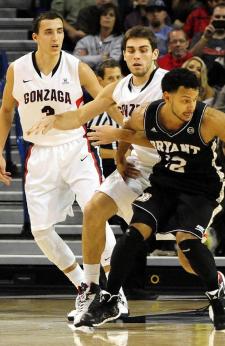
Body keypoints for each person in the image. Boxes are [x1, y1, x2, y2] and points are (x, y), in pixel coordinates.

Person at [27, 25, 167, 324]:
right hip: (138, 168)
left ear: (155, 54)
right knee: (93, 210)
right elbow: (80, 115)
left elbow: (173, 136)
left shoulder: (170, 84)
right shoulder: (120, 87)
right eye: (131, 50)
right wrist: (54, 120)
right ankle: (93, 290)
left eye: (143, 50)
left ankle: (214, 285)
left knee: (187, 252)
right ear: (124, 55)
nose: (136, 56)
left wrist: (118, 136)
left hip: (173, 170)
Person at [74, 68, 225, 330]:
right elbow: (127, 129)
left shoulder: (209, 119)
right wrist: (120, 160)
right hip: (165, 182)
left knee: (186, 242)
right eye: (184, 100)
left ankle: (217, 298)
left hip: (202, 189)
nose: (191, 105)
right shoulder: (147, 113)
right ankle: (109, 300)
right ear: (167, 97)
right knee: (134, 234)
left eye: (194, 98)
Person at [0, 11, 119, 317]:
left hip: (76, 149)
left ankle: (114, 293)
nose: (56, 38)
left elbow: (106, 99)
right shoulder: (18, 69)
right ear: (35, 37)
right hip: (39, 153)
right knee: (40, 230)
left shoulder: (76, 66)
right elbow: (5, 111)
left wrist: (128, 134)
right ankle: (82, 286)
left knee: (97, 216)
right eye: (49, 32)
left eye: (60, 31)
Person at [73, 3, 123, 69]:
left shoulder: (119, 40)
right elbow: (75, 60)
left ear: (116, 20)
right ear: (99, 18)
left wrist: (86, 58)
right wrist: (101, 57)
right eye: (104, 14)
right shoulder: (86, 40)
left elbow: (112, 63)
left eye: (111, 15)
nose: (107, 17)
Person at [190, 2, 225, 70]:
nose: (221, 19)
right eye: (217, 17)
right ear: (211, 18)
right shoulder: (200, 36)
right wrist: (205, 38)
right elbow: (191, 58)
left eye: (224, 17)